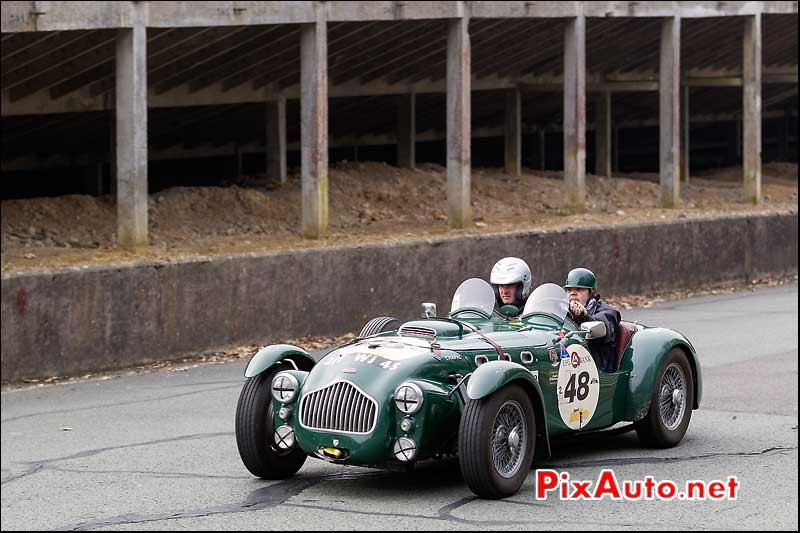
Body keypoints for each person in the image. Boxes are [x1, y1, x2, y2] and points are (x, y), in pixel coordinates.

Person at [563, 267, 621, 373]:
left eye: (579, 289)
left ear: (590, 292)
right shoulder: (562, 312)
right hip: (569, 365)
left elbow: (604, 330)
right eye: (569, 290)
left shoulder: (608, 312)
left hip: (596, 369)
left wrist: (584, 316)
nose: (573, 293)